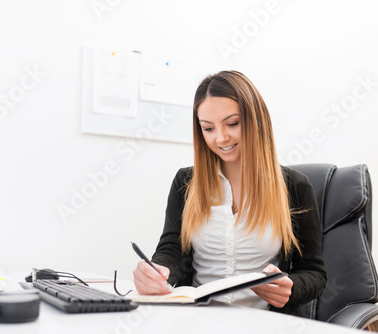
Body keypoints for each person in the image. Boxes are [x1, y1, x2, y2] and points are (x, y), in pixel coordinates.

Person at [132, 70, 326, 316]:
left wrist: (292, 287)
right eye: (208, 128)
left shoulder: (295, 187)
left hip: (264, 323)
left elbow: (314, 273)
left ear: (256, 120)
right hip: (196, 318)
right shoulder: (186, 182)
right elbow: (172, 249)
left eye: (232, 124)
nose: (221, 138)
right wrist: (158, 271)